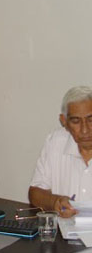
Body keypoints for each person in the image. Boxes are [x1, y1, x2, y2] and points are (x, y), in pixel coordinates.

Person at [29, 86, 92, 217]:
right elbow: (35, 193)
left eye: (91, 120)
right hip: (65, 233)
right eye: (76, 121)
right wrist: (55, 201)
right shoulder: (56, 142)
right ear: (64, 122)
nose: (85, 130)